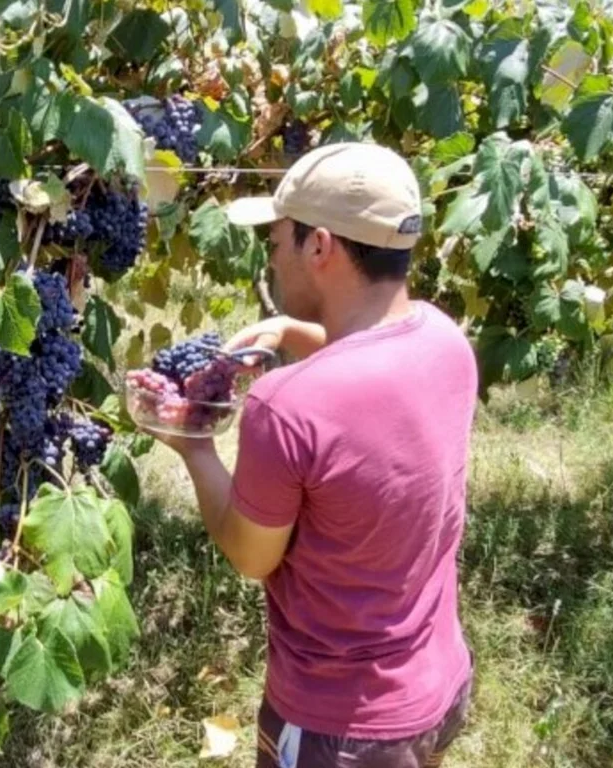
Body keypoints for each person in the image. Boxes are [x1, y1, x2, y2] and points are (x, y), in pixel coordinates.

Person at [141, 142, 477, 768]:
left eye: (277, 240)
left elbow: (250, 553)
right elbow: (375, 365)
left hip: (340, 728)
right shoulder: (445, 339)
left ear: (319, 247)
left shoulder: (285, 406)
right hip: (439, 684)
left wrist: (194, 449)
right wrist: (294, 333)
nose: (270, 255)